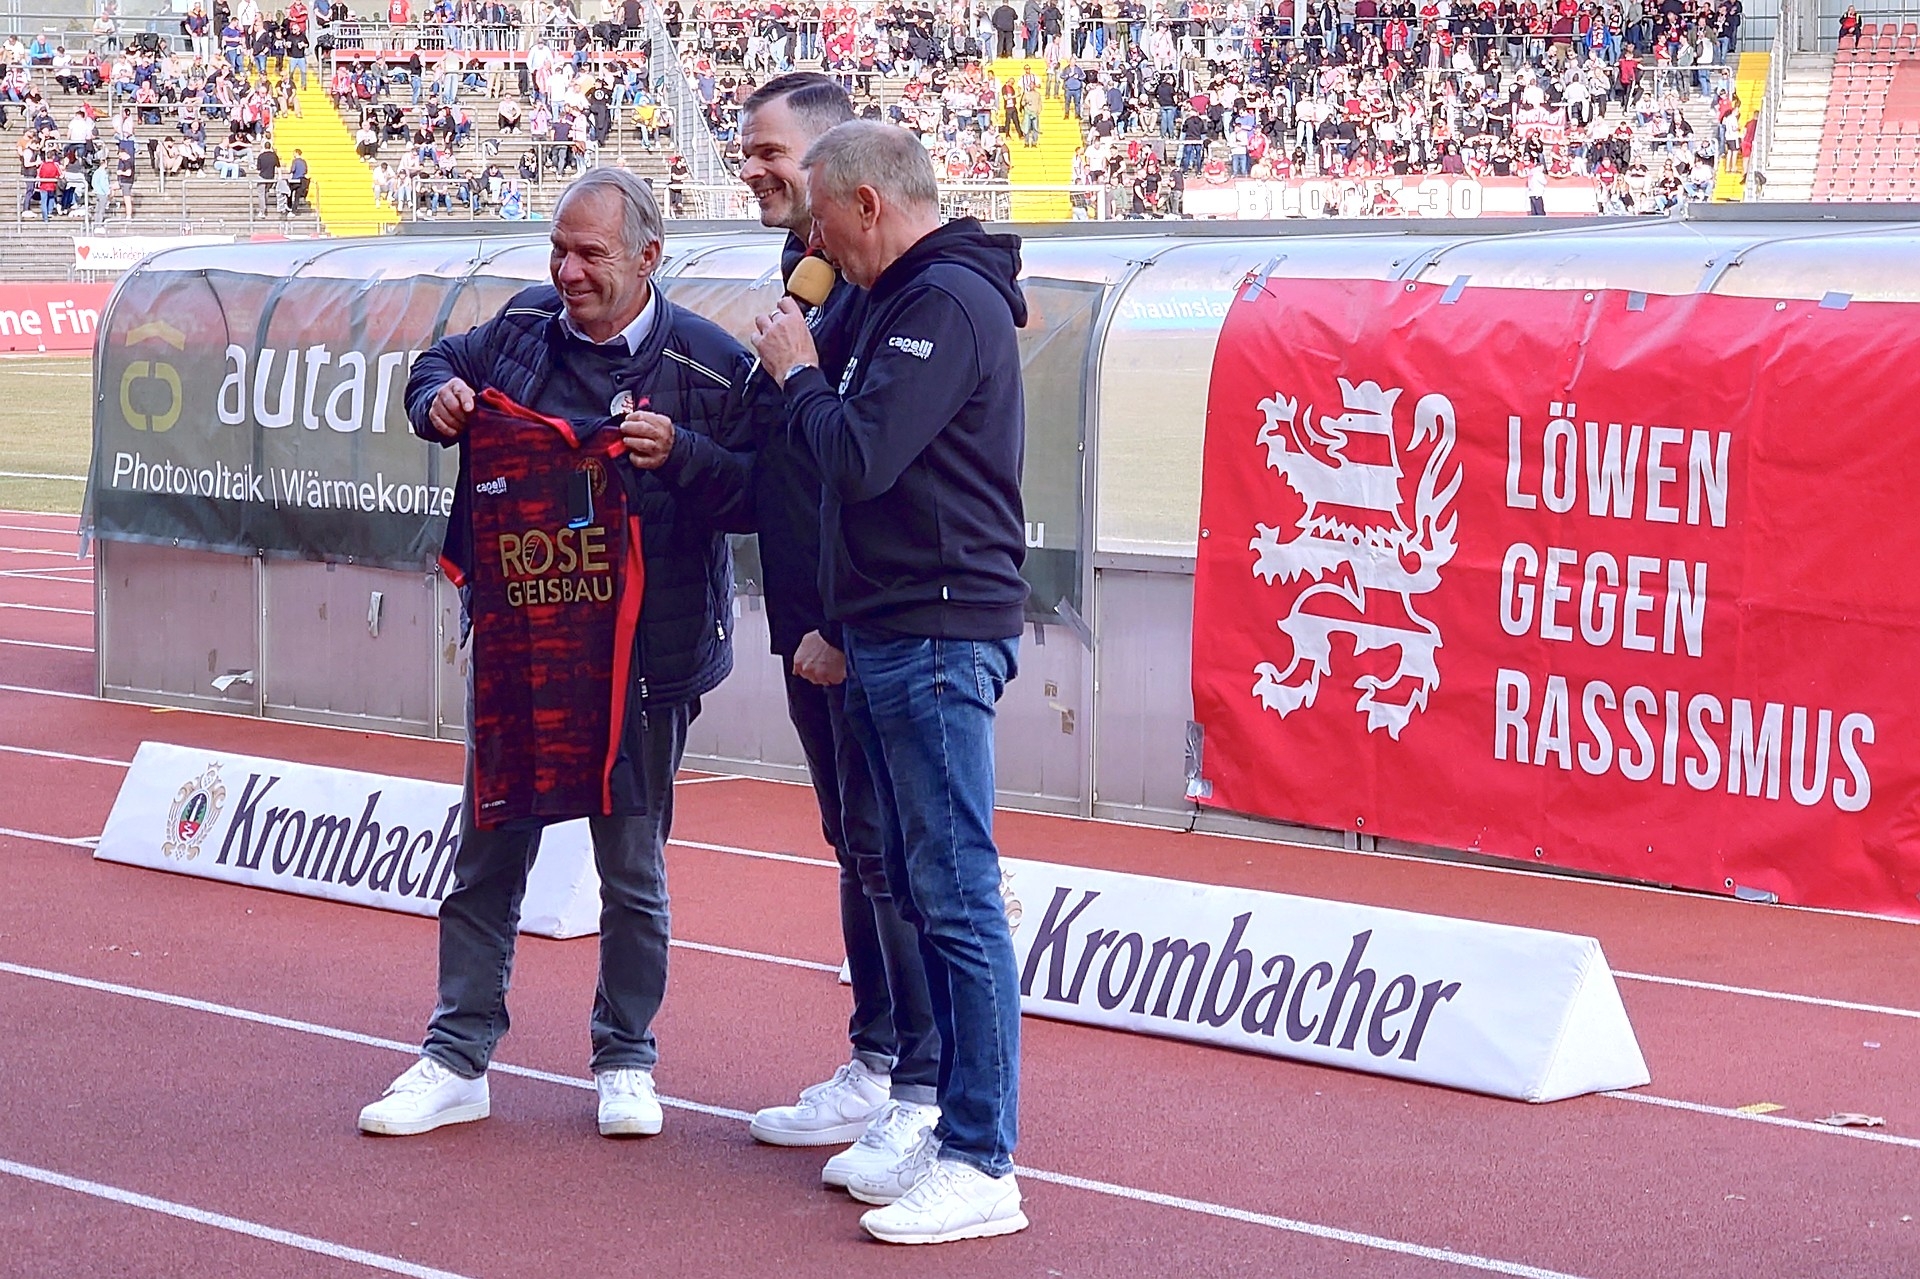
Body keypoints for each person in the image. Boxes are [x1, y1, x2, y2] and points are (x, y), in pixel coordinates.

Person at [359, 168, 761, 1142]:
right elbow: (433, 366)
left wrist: (687, 455)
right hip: (523, 651)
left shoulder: (710, 366)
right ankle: (457, 1055)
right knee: (488, 854)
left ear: (648, 257)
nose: (567, 272)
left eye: (589, 254)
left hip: (644, 663)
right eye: (557, 250)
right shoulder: (517, 331)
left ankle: (625, 1057)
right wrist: (439, 397)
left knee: (632, 872)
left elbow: (763, 494)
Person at [750, 120, 1031, 1246]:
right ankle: (943, 1119)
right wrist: (841, 620)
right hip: (889, 628)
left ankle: (983, 1157)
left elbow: (858, 456)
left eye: (821, 220)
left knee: (956, 895)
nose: (812, 243)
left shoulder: (945, 302)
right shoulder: (890, 298)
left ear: (868, 205)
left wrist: (800, 374)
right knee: (914, 887)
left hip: (938, 630)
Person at [735, 72, 943, 1196]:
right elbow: (781, 452)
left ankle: (920, 1083)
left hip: (864, 622)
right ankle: (878, 1059)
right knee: (857, 845)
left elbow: (863, 466)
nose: (755, 172)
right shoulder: (806, 274)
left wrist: (838, 624)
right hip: (812, 611)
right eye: (749, 154)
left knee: (894, 852)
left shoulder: (887, 289)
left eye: (771, 154)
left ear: (836, 165)